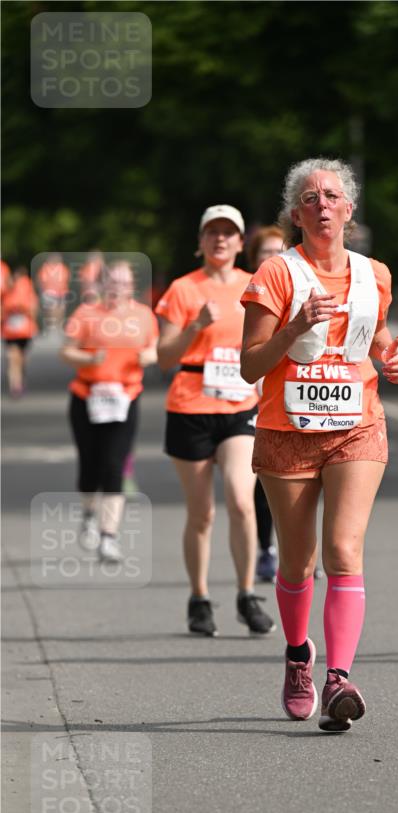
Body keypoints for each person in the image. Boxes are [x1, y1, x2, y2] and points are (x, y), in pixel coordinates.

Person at [241, 158, 398, 732]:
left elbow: (378, 337)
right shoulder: (276, 275)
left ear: (350, 208)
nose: (322, 204)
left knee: (343, 551)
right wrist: (293, 328)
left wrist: (392, 356)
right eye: (309, 198)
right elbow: (249, 366)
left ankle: (339, 677)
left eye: (332, 195)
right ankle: (297, 656)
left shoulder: (374, 274)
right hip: (287, 430)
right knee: (298, 561)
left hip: (357, 426)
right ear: (296, 214)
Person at [156, 205, 275, 638]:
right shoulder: (183, 290)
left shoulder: (255, 286)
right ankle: (199, 597)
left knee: (243, 501)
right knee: (201, 513)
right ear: (201, 241)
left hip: (240, 407)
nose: (220, 240)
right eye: (212, 233)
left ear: (242, 243)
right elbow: (164, 356)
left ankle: (246, 594)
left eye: (229, 233)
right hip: (190, 406)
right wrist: (194, 327)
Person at [61, 260, 158, 563]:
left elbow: (155, 347)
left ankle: (108, 537)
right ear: (103, 284)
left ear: (132, 286)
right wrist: (89, 359)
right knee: (90, 466)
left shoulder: (143, 315)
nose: (118, 287)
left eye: (124, 282)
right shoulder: (86, 313)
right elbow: (66, 351)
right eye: (112, 281)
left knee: (114, 465)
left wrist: (148, 357)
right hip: (87, 397)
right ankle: (89, 514)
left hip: (125, 398)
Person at [245, 226, 285, 583]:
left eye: (279, 250)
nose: (272, 258)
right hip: (245, 395)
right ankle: (263, 547)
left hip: (287, 397)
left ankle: (293, 550)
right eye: (264, 252)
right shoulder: (247, 295)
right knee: (256, 480)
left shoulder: (296, 289)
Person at [2, 266, 39, 397]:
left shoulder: (26, 287)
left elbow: (33, 306)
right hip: (9, 330)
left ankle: (21, 378)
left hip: (24, 330)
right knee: (12, 357)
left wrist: (31, 319)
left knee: (21, 358)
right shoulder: (4, 292)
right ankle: (15, 386)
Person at [37, 252, 70, 334]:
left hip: (61, 292)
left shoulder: (63, 268)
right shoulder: (45, 268)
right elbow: (40, 281)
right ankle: (51, 328)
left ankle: (58, 327)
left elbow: (66, 280)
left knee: (60, 310)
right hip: (49, 292)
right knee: (51, 311)